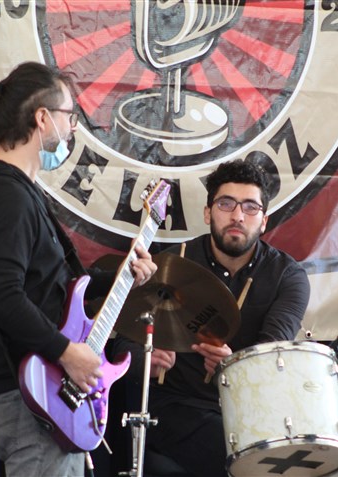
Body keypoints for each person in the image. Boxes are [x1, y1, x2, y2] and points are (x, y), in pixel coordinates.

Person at [0, 62, 157, 476]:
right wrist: (67, 353)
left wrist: (121, 275)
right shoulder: (4, 196)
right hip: (32, 399)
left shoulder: (10, 191)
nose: (73, 129)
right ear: (43, 118)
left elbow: (50, 287)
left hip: (39, 397)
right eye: (70, 116)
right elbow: (1, 295)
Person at [113, 159, 311, 476]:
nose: (237, 216)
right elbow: (123, 342)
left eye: (250, 207)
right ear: (208, 213)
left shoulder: (287, 276)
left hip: (252, 408)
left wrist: (234, 368)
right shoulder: (171, 264)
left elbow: (269, 359)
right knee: (243, 456)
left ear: (263, 221)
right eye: (226, 204)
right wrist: (146, 360)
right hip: (177, 406)